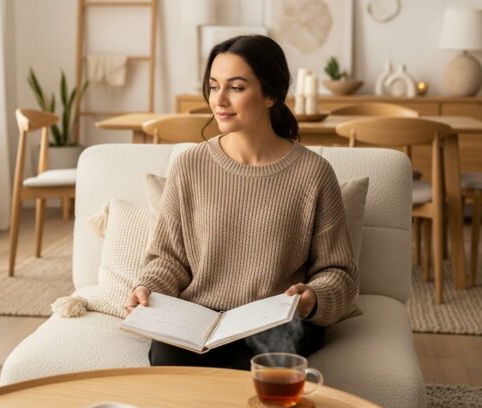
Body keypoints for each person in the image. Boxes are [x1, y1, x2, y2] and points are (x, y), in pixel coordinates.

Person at [125, 35, 359, 370]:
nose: (219, 100)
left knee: (254, 362)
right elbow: (169, 259)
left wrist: (313, 298)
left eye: (235, 87)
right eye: (213, 86)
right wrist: (146, 288)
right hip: (199, 318)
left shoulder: (314, 173)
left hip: (275, 323)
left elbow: (339, 272)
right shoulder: (190, 166)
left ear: (271, 95)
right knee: (166, 358)